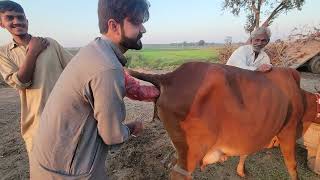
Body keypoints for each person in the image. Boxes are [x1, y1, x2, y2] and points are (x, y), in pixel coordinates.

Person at [30, 0, 159, 179]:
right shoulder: (108, 68)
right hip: (68, 173)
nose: (143, 29)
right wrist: (131, 128)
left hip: (50, 163)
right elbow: (112, 137)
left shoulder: (94, 50)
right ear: (114, 25)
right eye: (136, 22)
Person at [0, 0, 73, 155]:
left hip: (66, 117)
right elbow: (21, 83)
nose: (17, 21)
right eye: (10, 18)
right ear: (1, 23)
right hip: (36, 124)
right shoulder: (4, 53)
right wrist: (33, 52)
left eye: (20, 17)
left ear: (27, 21)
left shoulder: (50, 44)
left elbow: (75, 68)